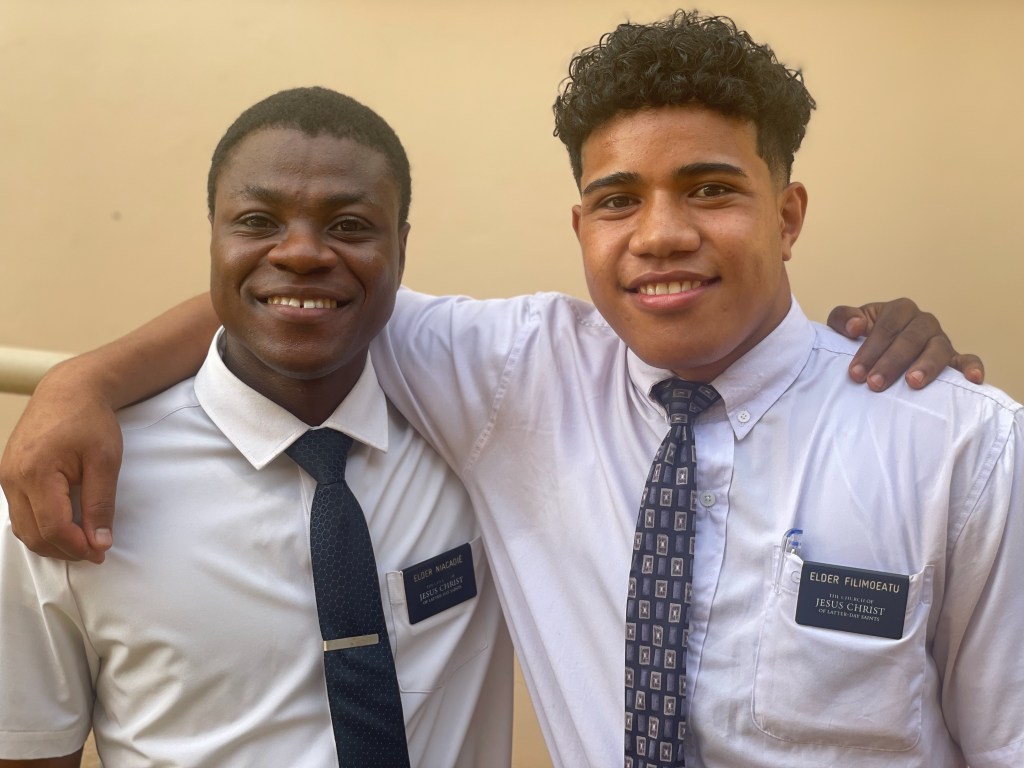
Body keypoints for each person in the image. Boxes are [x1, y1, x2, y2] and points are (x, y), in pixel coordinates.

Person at [0, 11, 1006, 768]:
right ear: (582, 228)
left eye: (710, 189)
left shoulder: (961, 449)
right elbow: (295, 292)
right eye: (618, 199)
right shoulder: (517, 375)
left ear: (787, 215)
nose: (660, 234)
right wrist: (83, 381)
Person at [0, 87, 512, 766]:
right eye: (257, 220)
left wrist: (83, 376)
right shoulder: (71, 493)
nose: (301, 253)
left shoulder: (481, 430)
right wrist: (79, 382)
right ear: (213, 235)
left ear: (401, 245)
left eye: (349, 225)